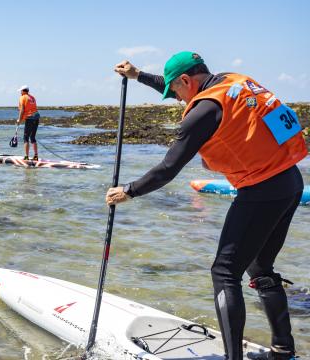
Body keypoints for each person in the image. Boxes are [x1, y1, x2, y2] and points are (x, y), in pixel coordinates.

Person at [106, 52, 306, 360]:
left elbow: (168, 168)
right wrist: (138, 75)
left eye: (175, 91)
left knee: (224, 273)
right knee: (261, 268)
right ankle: (283, 351)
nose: (175, 98)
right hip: (290, 181)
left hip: (261, 189)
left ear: (187, 80)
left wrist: (129, 191)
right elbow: (173, 83)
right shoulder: (231, 81)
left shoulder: (202, 113)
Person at [17, 85, 40, 160]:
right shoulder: (32, 97)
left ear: (23, 91)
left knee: (26, 138)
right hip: (36, 117)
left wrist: (19, 120)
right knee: (32, 137)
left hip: (30, 118)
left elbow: (22, 110)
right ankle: (36, 156)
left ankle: (26, 157)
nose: (20, 92)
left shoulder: (22, 97)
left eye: (21, 91)